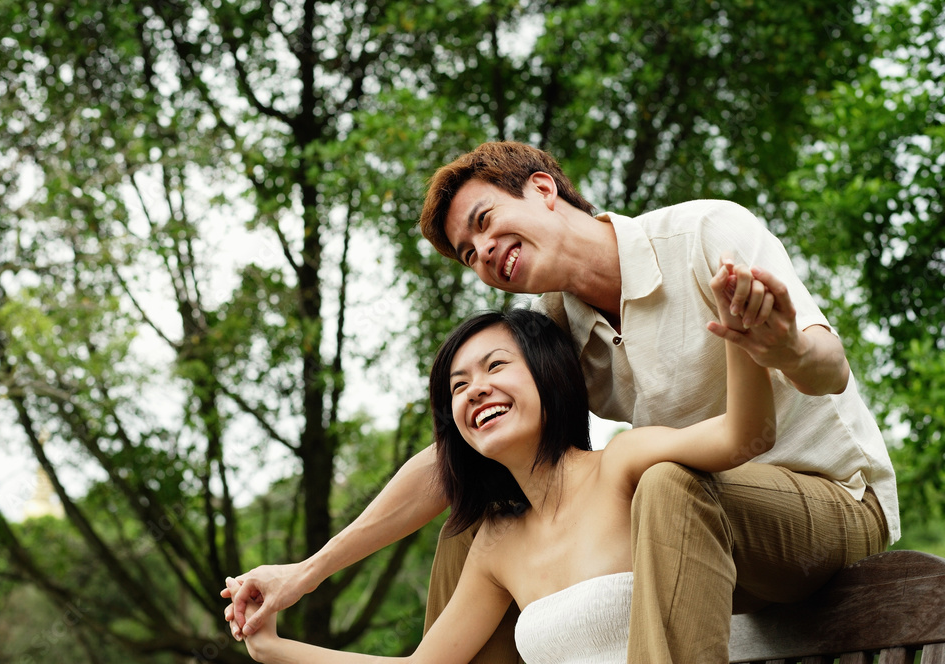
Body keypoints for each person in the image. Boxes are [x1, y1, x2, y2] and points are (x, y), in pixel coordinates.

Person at [223, 142, 898, 662]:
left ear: (543, 189)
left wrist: (777, 346)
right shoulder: (557, 333)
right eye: (469, 253)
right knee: (477, 525)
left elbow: (827, 364)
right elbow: (449, 462)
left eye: (485, 221)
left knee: (668, 483)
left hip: (828, 506)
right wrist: (305, 574)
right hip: (697, 540)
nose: (484, 252)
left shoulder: (703, 233)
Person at [230, 295, 777, 663]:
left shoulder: (622, 465)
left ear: (549, 375)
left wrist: (742, 339)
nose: (475, 390)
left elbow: (743, 437)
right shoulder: (497, 543)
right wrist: (273, 648)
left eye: (495, 367)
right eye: (458, 386)